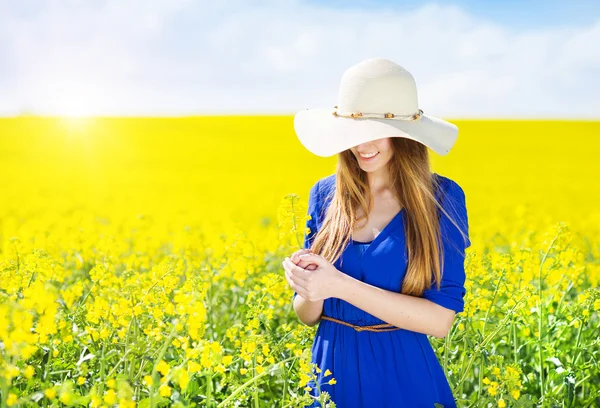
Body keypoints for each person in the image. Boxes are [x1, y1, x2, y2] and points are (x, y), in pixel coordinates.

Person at [282, 58, 471, 407]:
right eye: (353, 132)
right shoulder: (325, 195)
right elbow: (307, 316)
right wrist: (308, 286)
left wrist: (338, 284)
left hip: (401, 373)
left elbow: (440, 321)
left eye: (374, 131)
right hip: (329, 372)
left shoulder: (441, 199)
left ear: (405, 134)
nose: (361, 145)